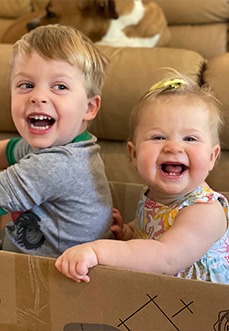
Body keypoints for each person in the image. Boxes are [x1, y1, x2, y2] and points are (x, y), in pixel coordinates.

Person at [55, 70, 229, 284]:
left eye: (190, 138)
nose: (174, 147)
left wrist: (97, 251)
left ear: (212, 157)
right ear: (134, 154)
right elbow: (153, 233)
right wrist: (128, 233)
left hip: (202, 309)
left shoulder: (205, 212)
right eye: (158, 137)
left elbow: (166, 257)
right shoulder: (153, 196)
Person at [0, 24, 113, 257]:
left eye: (60, 86)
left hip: (52, 284)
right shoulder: (66, 143)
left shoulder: (58, 164)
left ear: (89, 107)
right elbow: (10, 150)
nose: (38, 97)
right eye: (26, 85)